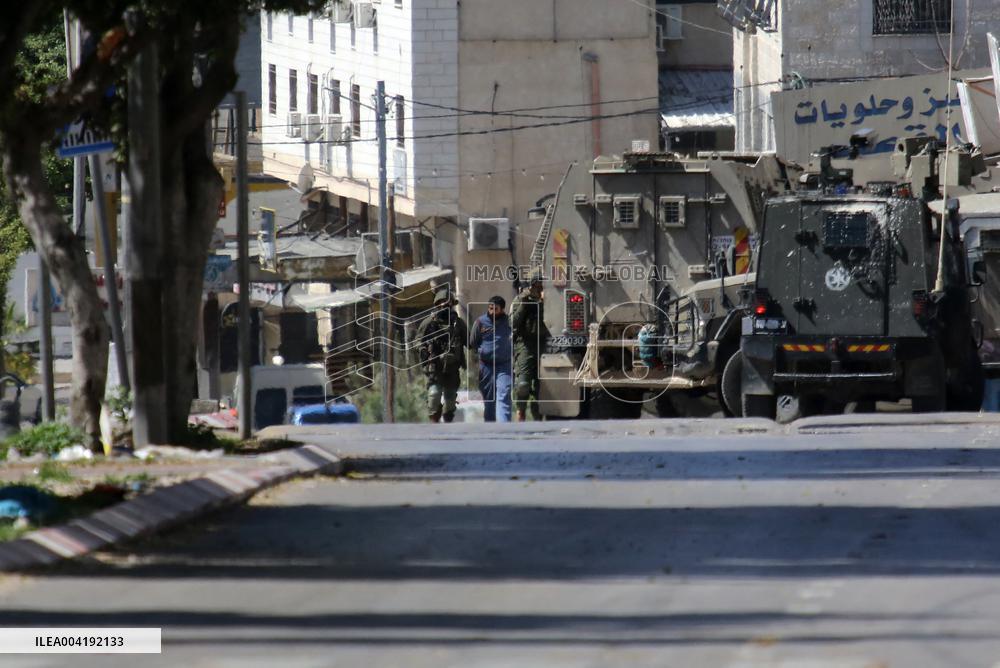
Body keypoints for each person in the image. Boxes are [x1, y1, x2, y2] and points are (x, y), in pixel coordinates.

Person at [416, 288, 468, 423]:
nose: (444, 305)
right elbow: (418, 341)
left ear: (452, 304)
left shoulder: (458, 323)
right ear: (436, 304)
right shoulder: (429, 322)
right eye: (440, 302)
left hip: (452, 367)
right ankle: (434, 423)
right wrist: (423, 350)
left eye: (447, 302)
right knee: (434, 395)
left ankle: (448, 424)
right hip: (435, 366)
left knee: (450, 400)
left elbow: (469, 341)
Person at [510, 270, 550, 421]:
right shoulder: (521, 299)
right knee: (523, 384)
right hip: (525, 345)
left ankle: (538, 415)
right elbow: (512, 323)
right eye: (537, 285)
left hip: (545, 345)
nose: (540, 288)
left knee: (542, 387)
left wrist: (546, 302)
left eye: (542, 285)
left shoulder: (549, 299)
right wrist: (524, 305)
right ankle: (521, 410)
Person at [469, 295, 513, 422]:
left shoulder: (509, 322)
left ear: (502, 309)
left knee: (504, 393)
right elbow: (473, 343)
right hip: (486, 366)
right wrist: (478, 359)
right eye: (490, 308)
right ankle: (490, 427)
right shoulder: (480, 322)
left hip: (504, 365)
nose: (492, 311)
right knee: (489, 400)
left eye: (495, 309)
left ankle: (504, 427)